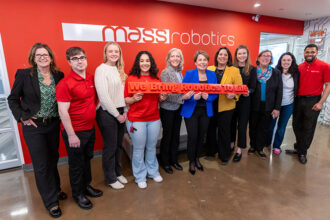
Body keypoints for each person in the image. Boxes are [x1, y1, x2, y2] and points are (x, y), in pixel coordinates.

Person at [7, 43, 66, 218]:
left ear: (51, 57)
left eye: (45, 54)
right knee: (41, 164)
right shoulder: (25, 75)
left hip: (53, 124)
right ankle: (51, 202)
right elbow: (12, 99)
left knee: (53, 159)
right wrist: (22, 116)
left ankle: (55, 190)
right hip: (34, 127)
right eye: (38, 55)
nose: (42, 57)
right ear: (33, 58)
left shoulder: (58, 75)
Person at [56, 47, 103, 210]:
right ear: (69, 62)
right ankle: (78, 194)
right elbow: (62, 111)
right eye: (75, 58)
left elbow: (95, 100)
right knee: (76, 164)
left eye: (82, 57)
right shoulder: (65, 84)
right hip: (75, 132)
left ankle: (86, 186)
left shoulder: (91, 79)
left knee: (87, 160)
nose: (80, 61)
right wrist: (71, 135)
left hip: (90, 128)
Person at [124, 51, 166, 189]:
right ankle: (140, 176)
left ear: (151, 62)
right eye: (142, 61)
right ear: (138, 63)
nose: (145, 63)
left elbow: (159, 99)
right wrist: (133, 98)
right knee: (138, 148)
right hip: (137, 120)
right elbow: (126, 99)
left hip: (154, 118)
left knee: (151, 147)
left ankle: (153, 171)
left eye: (147, 60)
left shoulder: (156, 79)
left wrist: (163, 97)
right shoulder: (131, 79)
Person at [286, 44, 330, 164]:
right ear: (304, 53)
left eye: (312, 52)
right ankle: (299, 147)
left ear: (317, 52)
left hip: (313, 100)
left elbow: (328, 85)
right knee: (296, 125)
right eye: (307, 52)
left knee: (308, 127)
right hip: (298, 99)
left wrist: (321, 102)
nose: (309, 54)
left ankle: (303, 152)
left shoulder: (325, 66)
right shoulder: (299, 67)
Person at [95, 42, 128, 189]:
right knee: (110, 146)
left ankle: (117, 172)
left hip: (121, 111)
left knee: (119, 145)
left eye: (117, 51)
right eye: (111, 51)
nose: (114, 54)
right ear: (105, 53)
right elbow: (103, 97)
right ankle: (110, 178)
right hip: (107, 113)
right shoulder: (101, 70)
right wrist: (117, 115)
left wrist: (125, 111)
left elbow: (124, 94)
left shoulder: (119, 70)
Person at [181, 50, 217, 175]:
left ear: (208, 62)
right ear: (195, 62)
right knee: (193, 136)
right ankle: (191, 161)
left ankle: (197, 159)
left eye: (205, 60)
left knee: (201, 137)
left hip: (206, 110)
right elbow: (182, 92)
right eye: (200, 60)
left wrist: (209, 98)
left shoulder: (212, 74)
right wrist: (192, 98)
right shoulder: (189, 74)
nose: (202, 62)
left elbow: (215, 92)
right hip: (191, 110)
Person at [208, 47, 243, 165]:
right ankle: (211, 152)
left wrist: (234, 95)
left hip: (227, 106)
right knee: (211, 129)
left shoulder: (234, 70)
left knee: (224, 131)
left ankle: (224, 155)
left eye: (225, 55)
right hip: (211, 103)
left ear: (228, 58)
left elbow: (239, 87)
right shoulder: (209, 68)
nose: (222, 57)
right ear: (217, 56)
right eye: (220, 54)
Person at [248, 50, 283, 158]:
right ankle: (252, 146)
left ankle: (260, 148)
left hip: (269, 106)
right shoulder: (252, 71)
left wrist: (277, 108)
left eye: (269, 56)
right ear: (258, 58)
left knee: (264, 128)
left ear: (271, 59)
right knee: (253, 126)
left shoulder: (276, 72)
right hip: (253, 105)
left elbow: (279, 91)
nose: (266, 58)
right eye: (264, 55)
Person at [159, 48, 187, 174]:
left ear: (180, 59)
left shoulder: (180, 72)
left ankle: (174, 160)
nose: (175, 58)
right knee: (168, 136)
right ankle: (165, 162)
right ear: (168, 59)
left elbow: (180, 89)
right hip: (168, 109)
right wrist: (183, 98)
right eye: (173, 56)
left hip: (178, 108)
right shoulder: (165, 72)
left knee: (176, 135)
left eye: (178, 56)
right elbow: (168, 94)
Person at [267, 52, 299, 154]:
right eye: (284, 60)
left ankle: (277, 146)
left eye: (288, 60)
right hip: (275, 104)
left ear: (292, 61)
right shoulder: (275, 72)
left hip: (288, 104)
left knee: (281, 127)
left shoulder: (296, 73)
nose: (286, 62)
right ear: (280, 61)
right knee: (270, 125)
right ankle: (267, 143)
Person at [230, 45, 256, 162]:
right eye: (239, 53)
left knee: (241, 126)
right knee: (231, 124)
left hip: (245, 102)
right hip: (231, 100)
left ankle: (239, 149)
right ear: (236, 55)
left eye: (244, 53)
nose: (242, 56)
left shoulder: (252, 69)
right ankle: (231, 145)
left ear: (247, 55)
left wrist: (248, 92)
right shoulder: (230, 68)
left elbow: (253, 87)